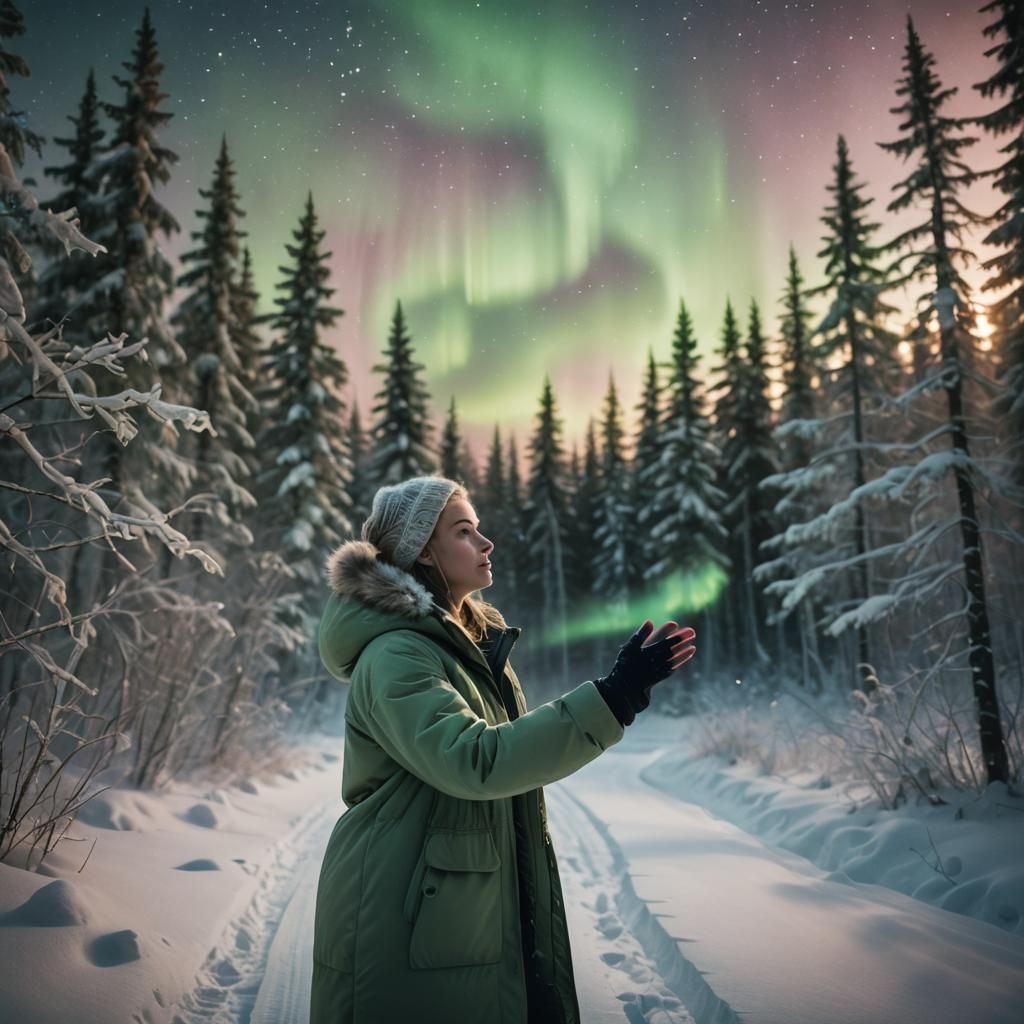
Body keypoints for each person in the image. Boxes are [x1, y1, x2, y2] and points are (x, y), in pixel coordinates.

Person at [311, 474, 696, 1024]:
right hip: (404, 912)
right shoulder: (397, 655)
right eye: (464, 531)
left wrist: (619, 696)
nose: (486, 542)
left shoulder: (467, 645)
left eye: (478, 528)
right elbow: (476, 760)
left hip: (458, 911)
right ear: (424, 550)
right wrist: (612, 699)